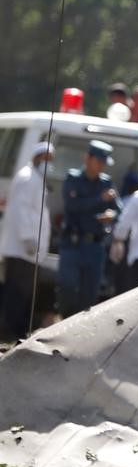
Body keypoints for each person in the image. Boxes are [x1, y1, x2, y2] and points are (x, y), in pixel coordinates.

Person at [57, 140, 121, 318]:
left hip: (95, 245)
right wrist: (100, 199)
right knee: (67, 287)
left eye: (104, 163)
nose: (101, 166)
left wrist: (111, 215)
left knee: (89, 293)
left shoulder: (106, 182)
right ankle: (63, 322)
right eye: (98, 161)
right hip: (73, 243)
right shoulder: (73, 179)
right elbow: (73, 206)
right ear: (88, 159)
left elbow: (119, 209)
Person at [0, 142, 54, 339]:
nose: (49, 164)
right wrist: (28, 239)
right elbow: (20, 211)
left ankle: (15, 331)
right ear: (37, 157)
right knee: (16, 293)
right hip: (21, 249)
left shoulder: (36, 179)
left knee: (23, 294)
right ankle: (10, 332)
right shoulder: (27, 178)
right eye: (46, 159)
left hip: (28, 251)